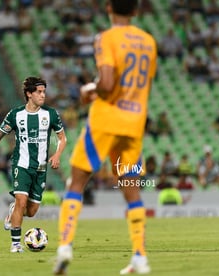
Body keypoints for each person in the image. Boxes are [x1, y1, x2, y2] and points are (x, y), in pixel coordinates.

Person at [53, 1, 157, 275]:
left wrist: (90, 89)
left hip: (106, 120)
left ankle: (64, 246)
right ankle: (140, 256)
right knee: (131, 189)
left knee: (77, 180)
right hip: (134, 123)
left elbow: (108, 84)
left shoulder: (106, 38)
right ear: (136, 11)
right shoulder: (148, 42)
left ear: (108, 8)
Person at [0, 76, 67, 253]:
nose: (43, 95)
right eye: (39, 92)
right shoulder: (16, 114)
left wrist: (57, 154)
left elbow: (62, 138)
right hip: (21, 165)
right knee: (21, 200)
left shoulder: (50, 114)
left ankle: (14, 211)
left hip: (40, 168)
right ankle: (15, 244)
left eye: (44, 92)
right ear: (29, 94)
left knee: (31, 211)